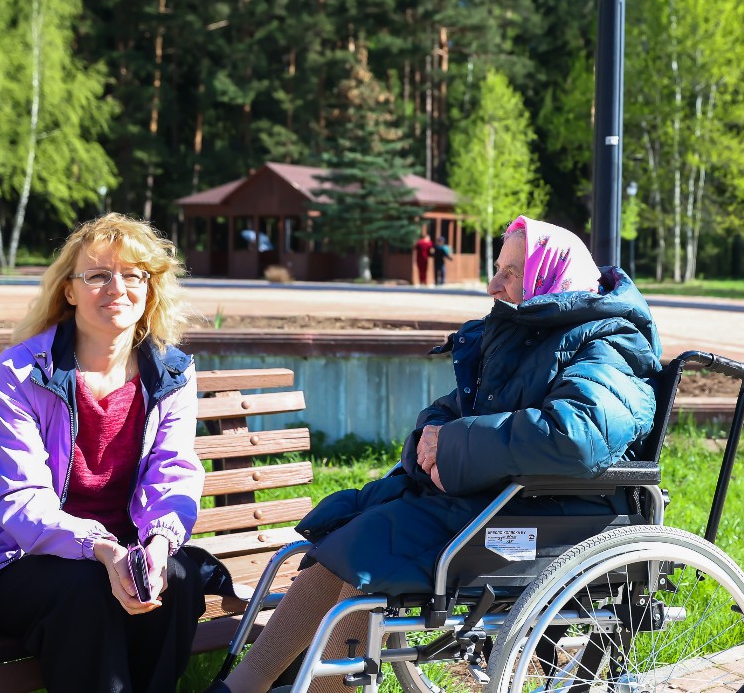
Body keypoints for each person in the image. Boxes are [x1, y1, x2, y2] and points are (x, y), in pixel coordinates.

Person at [209, 215, 661, 693]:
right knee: (337, 545)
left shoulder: (608, 342)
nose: (493, 285)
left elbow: (576, 435)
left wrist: (456, 445)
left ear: (550, 276)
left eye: (511, 272)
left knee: (373, 563)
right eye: (497, 268)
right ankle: (241, 685)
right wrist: (432, 438)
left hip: (550, 512)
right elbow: (457, 409)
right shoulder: (530, 333)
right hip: (494, 498)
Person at [0, 214, 208, 692]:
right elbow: (21, 499)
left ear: (150, 289)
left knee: (178, 576)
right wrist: (101, 548)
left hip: (121, 550)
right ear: (69, 290)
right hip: (17, 557)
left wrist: (157, 544)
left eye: (133, 275)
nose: (117, 287)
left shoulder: (172, 373)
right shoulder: (23, 372)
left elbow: (173, 473)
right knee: (88, 592)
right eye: (98, 275)